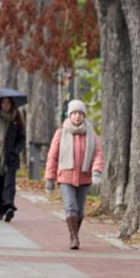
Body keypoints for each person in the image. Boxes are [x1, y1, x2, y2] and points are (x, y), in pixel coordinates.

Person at [46, 100, 105, 249]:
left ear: (84, 115)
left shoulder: (91, 134)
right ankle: (74, 237)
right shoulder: (61, 133)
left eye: (80, 113)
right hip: (65, 176)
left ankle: (75, 234)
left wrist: (96, 171)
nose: (77, 116)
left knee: (79, 210)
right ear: (69, 115)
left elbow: (98, 154)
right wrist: (50, 179)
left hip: (84, 177)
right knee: (70, 206)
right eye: (74, 113)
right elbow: (52, 157)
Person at [0, 97, 27, 222]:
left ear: (12, 104)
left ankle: (9, 207)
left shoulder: (16, 119)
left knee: (9, 183)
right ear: (0, 104)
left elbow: (21, 139)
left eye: (8, 102)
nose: (6, 105)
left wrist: (15, 151)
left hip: (11, 157)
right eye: (3, 102)